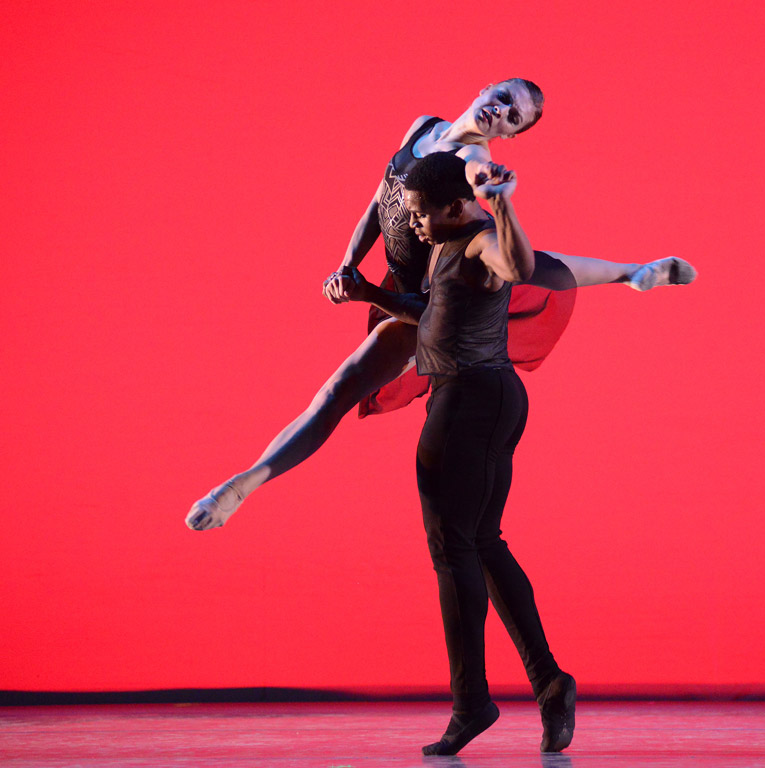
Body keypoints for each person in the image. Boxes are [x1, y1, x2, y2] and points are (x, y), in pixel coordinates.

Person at [185, 78, 696, 532]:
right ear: (483, 88)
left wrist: (495, 191)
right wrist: (347, 263)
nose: (501, 111)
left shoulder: (473, 163)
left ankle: (239, 487)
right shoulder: (423, 126)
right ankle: (631, 273)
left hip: (434, 296)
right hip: (400, 277)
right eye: (502, 98)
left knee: (342, 388)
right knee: (537, 268)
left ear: (513, 136)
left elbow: (480, 195)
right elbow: (378, 202)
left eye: (514, 116)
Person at [340, 151, 575, 754]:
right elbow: (433, 314)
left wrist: (503, 205)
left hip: (467, 400)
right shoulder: (447, 246)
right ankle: (549, 683)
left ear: (453, 205)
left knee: (452, 551)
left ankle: (471, 702)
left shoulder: (476, 244)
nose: (412, 225)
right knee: (484, 543)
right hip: (492, 394)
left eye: (419, 214)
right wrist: (368, 291)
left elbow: (518, 264)